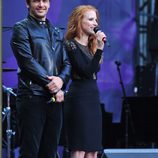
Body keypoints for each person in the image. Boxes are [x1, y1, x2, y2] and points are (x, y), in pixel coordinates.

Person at [10, 0, 71, 158]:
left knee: (50, 152)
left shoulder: (56, 31)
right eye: (36, 0)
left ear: (49, 4)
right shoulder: (21, 28)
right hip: (32, 97)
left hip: (53, 100)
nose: (41, 4)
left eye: (45, 1)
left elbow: (67, 62)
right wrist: (53, 85)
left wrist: (61, 80)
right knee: (30, 152)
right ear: (27, 4)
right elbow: (27, 61)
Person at [63, 5, 107, 158]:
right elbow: (86, 71)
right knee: (80, 148)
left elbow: (93, 71)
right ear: (79, 21)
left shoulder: (91, 46)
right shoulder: (71, 44)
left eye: (96, 19)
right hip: (79, 98)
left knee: (93, 149)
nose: (95, 23)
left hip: (92, 96)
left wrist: (97, 48)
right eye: (90, 19)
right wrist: (100, 49)